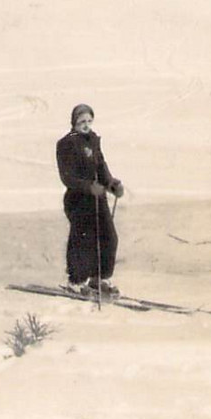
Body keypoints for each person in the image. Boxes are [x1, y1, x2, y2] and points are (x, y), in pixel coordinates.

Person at [55, 103, 125, 295]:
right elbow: (67, 176)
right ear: (74, 122)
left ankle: (99, 278)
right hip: (78, 199)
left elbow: (101, 167)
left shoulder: (93, 140)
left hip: (97, 197)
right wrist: (87, 186)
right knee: (82, 239)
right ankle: (76, 281)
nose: (86, 125)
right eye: (81, 121)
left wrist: (112, 185)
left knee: (109, 236)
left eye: (89, 121)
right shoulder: (66, 143)